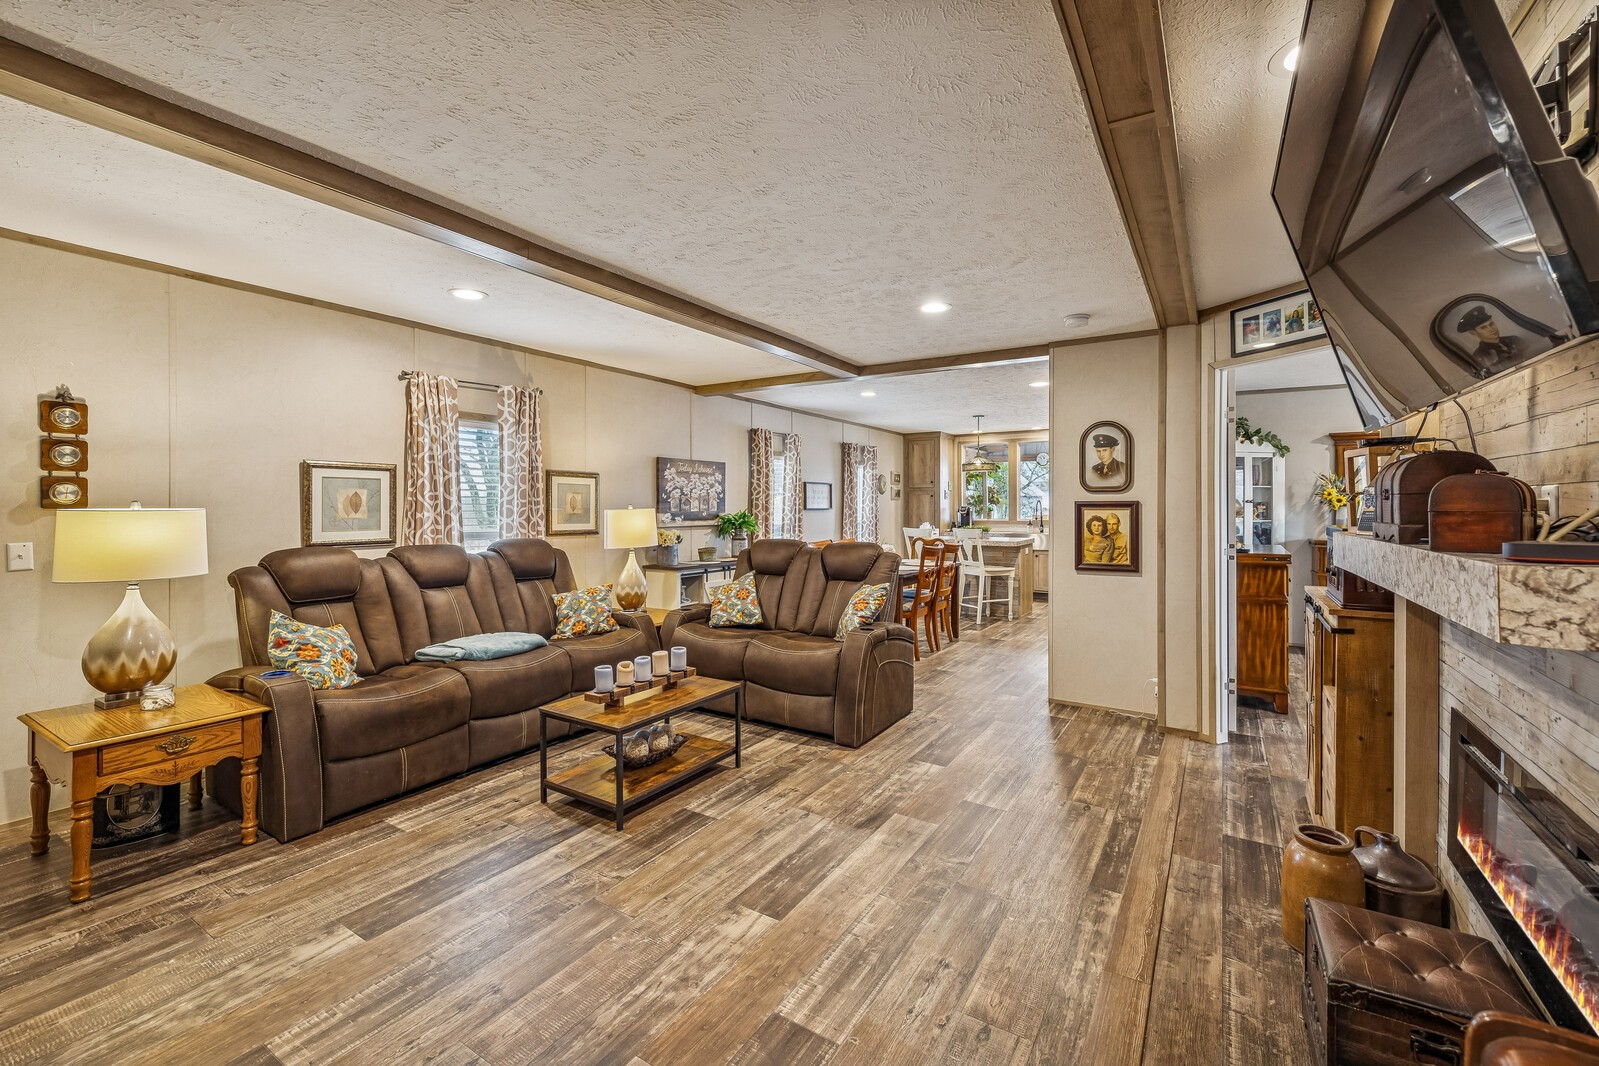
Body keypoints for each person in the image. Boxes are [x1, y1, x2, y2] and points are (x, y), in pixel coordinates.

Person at [1455, 305, 1525, 379]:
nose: (1491, 329)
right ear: (1473, 333)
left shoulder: (1514, 339)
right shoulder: (1479, 357)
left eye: (1491, 324)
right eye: (1483, 327)